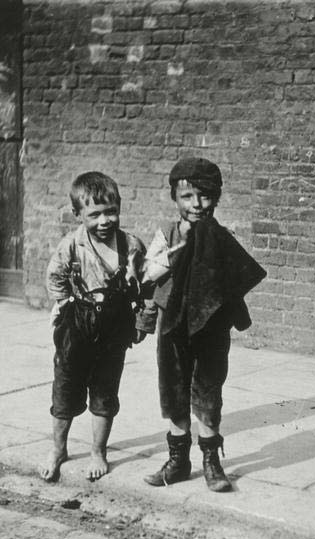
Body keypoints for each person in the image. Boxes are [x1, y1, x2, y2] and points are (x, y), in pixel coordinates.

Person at [142, 157, 266, 492]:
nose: (197, 204)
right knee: (174, 386)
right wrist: (178, 246)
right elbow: (149, 273)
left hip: (210, 324)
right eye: (187, 197)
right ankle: (178, 461)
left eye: (205, 196)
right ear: (175, 199)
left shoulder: (223, 236)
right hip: (172, 322)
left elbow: (235, 277)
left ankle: (211, 461)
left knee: (209, 389)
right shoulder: (166, 233)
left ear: (216, 198)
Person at [41, 171, 152, 483]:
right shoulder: (71, 246)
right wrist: (62, 305)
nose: (105, 221)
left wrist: (142, 322)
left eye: (111, 212)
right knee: (64, 389)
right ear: (79, 215)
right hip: (76, 326)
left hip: (113, 329)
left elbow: (146, 288)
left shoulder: (130, 246)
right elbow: (55, 276)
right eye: (95, 215)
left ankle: (98, 451)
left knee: (105, 392)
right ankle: (58, 448)